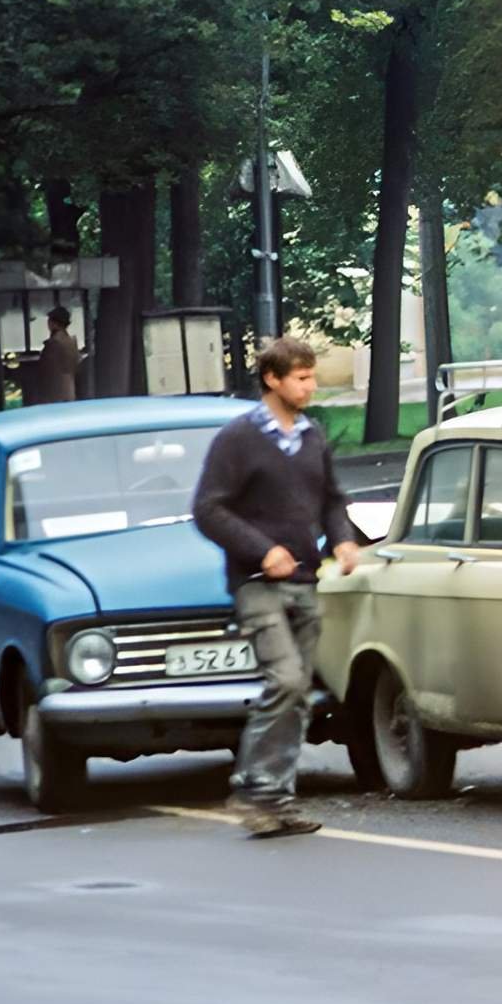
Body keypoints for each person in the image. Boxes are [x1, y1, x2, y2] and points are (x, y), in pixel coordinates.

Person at [191, 336, 359, 839]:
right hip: (257, 584)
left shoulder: (312, 437)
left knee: (298, 695)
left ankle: (277, 802)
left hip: (307, 581)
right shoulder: (238, 438)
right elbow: (208, 509)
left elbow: (331, 499)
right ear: (273, 379)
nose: (310, 386)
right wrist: (261, 549)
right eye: (301, 378)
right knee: (285, 680)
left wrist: (344, 541)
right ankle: (253, 788)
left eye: (311, 377)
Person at [34, 306, 81, 403]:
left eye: (50, 321)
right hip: (69, 389)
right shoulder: (70, 341)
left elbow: (47, 368)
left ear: (55, 323)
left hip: (55, 391)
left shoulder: (54, 343)